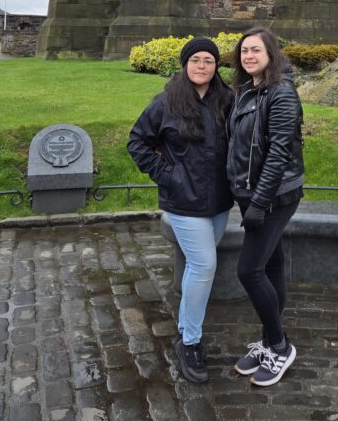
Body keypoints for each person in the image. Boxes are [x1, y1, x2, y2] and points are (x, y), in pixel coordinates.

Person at [127, 37, 233, 383]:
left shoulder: (226, 101)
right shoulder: (167, 102)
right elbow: (138, 142)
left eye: (208, 60)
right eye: (196, 60)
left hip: (218, 201)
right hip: (184, 202)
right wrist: (167, 175)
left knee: (197, 266)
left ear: (216, 66)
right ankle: (190, 341)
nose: (202, 66)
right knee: (204, 265)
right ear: (185, 64)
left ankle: (186, 325)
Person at [226, 27, 304, 387]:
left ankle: (279, 345)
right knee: (271, 264)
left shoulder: (282, 93)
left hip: (274, 196)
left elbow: (278, 154)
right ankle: (270, 340)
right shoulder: (245, 92)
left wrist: (259, 202)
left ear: (271, 53)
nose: (249, 56)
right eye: (244, 51)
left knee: (249, 271)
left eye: (256, 50)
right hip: (251, 194)